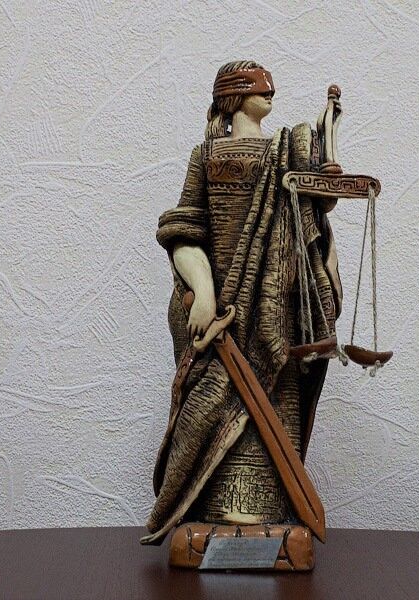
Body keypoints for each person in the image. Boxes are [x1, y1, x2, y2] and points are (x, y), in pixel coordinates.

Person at [141, 60, 342, 545]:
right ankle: (209, 517)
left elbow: (320, 199)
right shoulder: (206, 155)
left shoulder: (285, 150)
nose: (269, 93)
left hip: (277, 315)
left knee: (277, 415)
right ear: (234, 95)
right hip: (221, 328)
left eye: (270, 86)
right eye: (258, 86)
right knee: (206, 412)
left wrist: (325, 135)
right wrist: (204, 293)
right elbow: (184, 233)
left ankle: (272, 524)